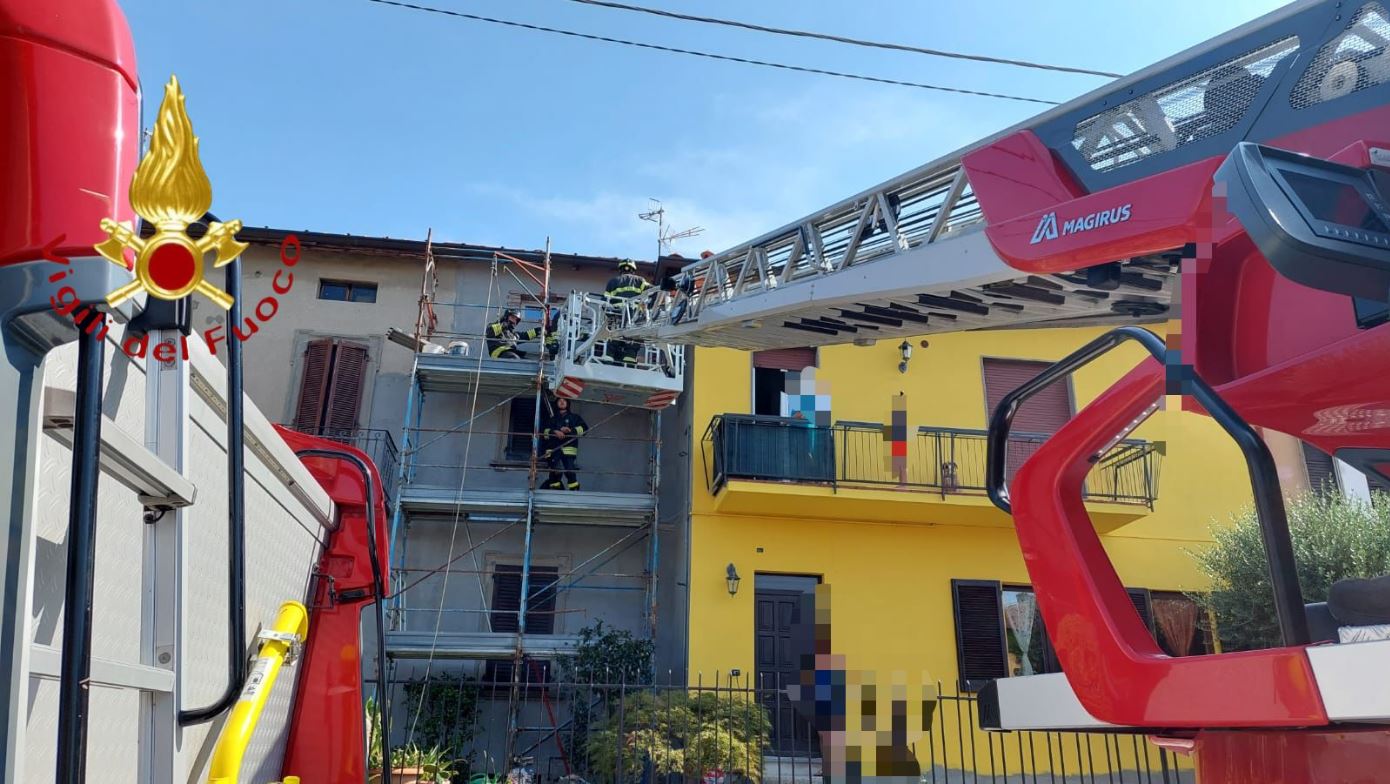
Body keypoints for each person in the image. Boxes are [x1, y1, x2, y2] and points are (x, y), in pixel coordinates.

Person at [603, 259, 650, 366]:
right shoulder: (641, 281)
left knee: (613, 335)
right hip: (635, 317)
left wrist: (607, 314)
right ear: (633, 270)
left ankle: (608, 356)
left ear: (620, 270)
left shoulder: (613, 282)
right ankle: (630, 358)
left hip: (616, 315)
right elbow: (652, 291)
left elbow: (604, 301)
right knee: (634, 337)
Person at [541, 396, 587, 490]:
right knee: (554, 472)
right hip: (553, 450)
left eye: (564, 400)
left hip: (568, 450)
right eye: (559, 401)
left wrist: (570, 431)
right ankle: (555, 490)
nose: (562, 402)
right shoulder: (552, 419)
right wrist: (554, 432)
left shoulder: (575, 418)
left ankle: (574, 490)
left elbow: (584, 429)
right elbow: (543, 433)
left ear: (568, 403)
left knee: (570, 471)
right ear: (556, 404)